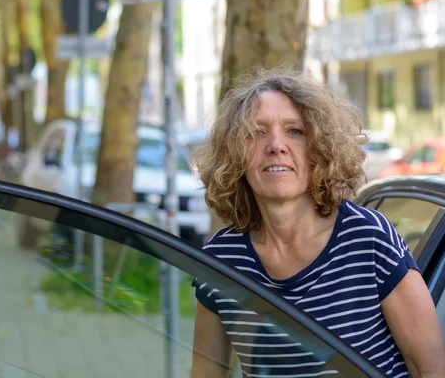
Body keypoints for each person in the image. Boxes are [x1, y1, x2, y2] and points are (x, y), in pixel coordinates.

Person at [189, 69, 445, 378]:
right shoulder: (221, 259)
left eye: (295, 131)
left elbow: (430, 369)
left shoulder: (368, 238)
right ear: (234, 154)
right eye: (256, 132)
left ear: (320, 149)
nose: (276, 145)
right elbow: (206, 373)